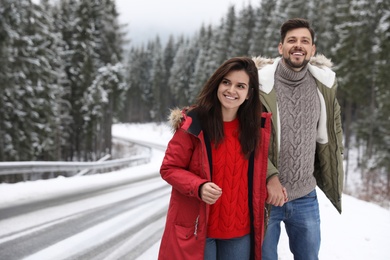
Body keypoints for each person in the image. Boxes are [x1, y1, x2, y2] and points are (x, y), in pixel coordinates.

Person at [158, 57, 272, 260]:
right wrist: (199, 186)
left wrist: (274, 179)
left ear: (249, 94)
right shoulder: (194, 123)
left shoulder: (255, 130)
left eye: (240, 86)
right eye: (226, 82)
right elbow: (169, 168)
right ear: (217, 84)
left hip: (240, 232)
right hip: (199, 229)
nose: (231, 90)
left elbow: (260, 173)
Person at [252, 18, 344, 260]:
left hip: (305, 196)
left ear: (313, 49)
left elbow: (332, 131)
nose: (298, 45)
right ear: (280, 47)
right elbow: (248, 136)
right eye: (291, 40)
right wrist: (270, 177)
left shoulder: (323, 86)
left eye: (305, 41)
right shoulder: (260, 85)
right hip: (266, 196)